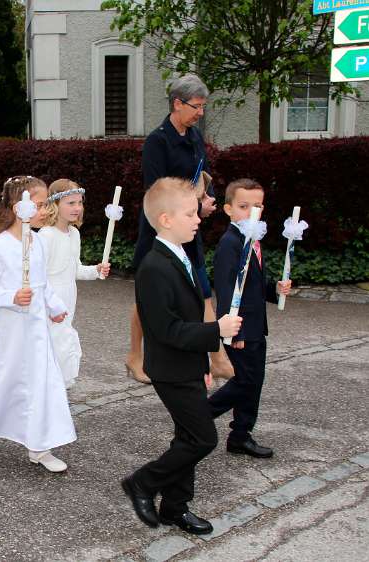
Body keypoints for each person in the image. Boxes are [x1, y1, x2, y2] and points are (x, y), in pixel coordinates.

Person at [121, 177, 242, 535]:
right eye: (190, 213)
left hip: (188, 363)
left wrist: (205, 360)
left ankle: (175, 506)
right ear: (165, 219)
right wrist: (216, 331)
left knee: (187, 437)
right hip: (170, 369)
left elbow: (187, 317)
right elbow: (166, 330)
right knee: (203, 438)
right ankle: (142, 482)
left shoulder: (181, 255)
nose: (198, 219)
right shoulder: (154, 268)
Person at [126, 74, 233, 384]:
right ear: (177, 103)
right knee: (145, 300)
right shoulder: (157, 142)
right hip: (160, 235)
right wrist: (194, 207)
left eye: (203, 106)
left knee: (203, 292)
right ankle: (135, 356)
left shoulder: (195, 137)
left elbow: (203, 175)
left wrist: (207, 198)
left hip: (190, 231)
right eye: (196, 106)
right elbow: (154, 194)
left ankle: (217, 357)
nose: (201, 112)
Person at [0, 175, 74, 473]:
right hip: (12, 327)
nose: (44, 211)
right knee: (5, 379)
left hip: (38, 327)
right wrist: (12, 296)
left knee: (41, 381)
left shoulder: (37, 241)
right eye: (39, 205)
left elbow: (42, 284)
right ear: (19, 208)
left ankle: (40, 446)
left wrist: (54, 306)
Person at [209, 178, 291, 458]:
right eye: (243, 206)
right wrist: (235, 334)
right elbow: (226, 288)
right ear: (228, 209)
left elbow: (253, 286)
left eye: (256, 206)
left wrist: (274, 290)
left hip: (257, 326)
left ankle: (241, 435)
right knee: (244, 381)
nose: (251, 211)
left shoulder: (253, 240)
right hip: (239, 328)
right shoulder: (230, 244)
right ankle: (199, 415)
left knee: (254, 382)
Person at [38, 179, 110, 389]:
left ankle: (56, 388)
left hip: (69, 296)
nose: (77, 208)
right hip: (50, 299)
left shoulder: (74, 234)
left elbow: (74, 269)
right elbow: (39, 277)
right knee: (51, 341)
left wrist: (95, 271)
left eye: (79, 202)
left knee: (63, 339)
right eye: (70, 203)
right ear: (55, 204)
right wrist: (50, 305)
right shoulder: (46, 235)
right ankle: (47, 387)